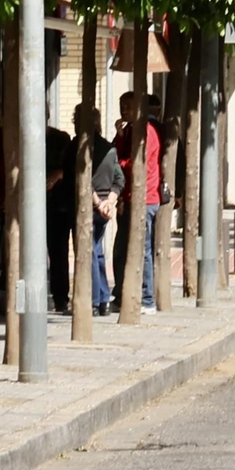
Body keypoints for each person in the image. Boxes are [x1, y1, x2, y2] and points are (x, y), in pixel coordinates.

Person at [111, 90, 161, 313]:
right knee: (122, 249)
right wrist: (120, 136)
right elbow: (115, 155)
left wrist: (119, 164)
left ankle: (147, 298)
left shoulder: (146, 132)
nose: (124, 111)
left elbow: (137, 164)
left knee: (143, 249)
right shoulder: (129, 130)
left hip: (145, 197)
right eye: (122, 107)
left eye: (128, 107)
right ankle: (122, 293)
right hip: (128, 196)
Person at [75, 106, 125, 317]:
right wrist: (110, 201)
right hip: (103, 206)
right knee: (97, 249)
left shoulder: (78, 147)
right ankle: (103, 297)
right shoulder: (110, 148)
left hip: (89, 205)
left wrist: (99, 203)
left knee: (90, 250)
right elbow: (119, 179)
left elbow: (79, 179)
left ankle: (95, 300)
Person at [45, 120, 75, 314]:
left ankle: (61, 297)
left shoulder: (60, 139)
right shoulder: (17, 135)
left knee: (58, 251)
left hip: (58, 203)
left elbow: (71, 166)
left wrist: (59, 174)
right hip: (35, 201)